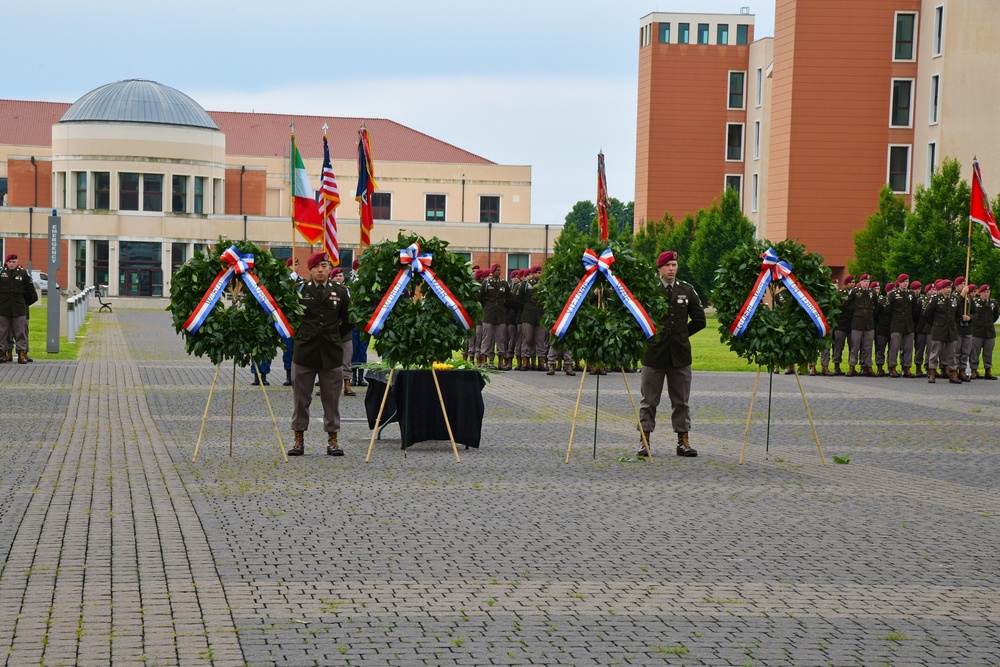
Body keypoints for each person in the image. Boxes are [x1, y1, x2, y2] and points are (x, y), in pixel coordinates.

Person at [638, 250, 706, 458]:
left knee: (681, 401)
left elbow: (699, 320)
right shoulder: (649, 291)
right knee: (649, 401)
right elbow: (638, 318)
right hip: (654, 353)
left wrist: (682, 335)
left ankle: (683, 441)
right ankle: (644, 440)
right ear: (659, 268)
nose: (671, 269)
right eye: (667, 265)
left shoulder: (686, 289)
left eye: (674, 265)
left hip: (679, 354)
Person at [288, 251, 352, 456]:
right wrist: (301, 336)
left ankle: (333, 439)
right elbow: (290, 318)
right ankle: (299, 439)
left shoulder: (340, 292)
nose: (321, 270)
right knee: (301, 398)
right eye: (316, 267)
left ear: (329, 268)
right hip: (305, 351)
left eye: (324, 266)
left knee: (331, 398)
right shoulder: (299, 290)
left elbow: (348, 321)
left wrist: (334, 336)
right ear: (310, 269)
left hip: (331, 352)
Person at [0, 253, 38, 364]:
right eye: (10, 262)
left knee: (20, 332)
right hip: (4, 308)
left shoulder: (22, 273)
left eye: (14, 262)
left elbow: (31, 291)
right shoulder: (2, 273)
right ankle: (2, 352)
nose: (12, 264)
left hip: (19, 308)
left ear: (17, 262)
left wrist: (24, 303)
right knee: (2, 332)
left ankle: (22, 353)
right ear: (7, 263)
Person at [923, 278, 963, 384]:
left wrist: (954, 324)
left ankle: (953, 373)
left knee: (952, 353)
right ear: (942, 288)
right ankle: (932, 372)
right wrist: (935, 323)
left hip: (951, 329)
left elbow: (958, 315)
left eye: (950, 287)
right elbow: (927, 314)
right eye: (946, 287)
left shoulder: (955, 299)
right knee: (935, 351)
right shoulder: (935, 298)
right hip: (938, 329)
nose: (948, 290)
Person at [478, 263, 510, 368]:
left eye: (499, 270)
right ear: (492, 272)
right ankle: (484, 360)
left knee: (501, 338)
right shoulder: (486, 283)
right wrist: (487, 306)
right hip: (488, 314)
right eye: (496, 270)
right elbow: (480, 297)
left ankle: (500, 362)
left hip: (500, 315)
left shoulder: (504, 284)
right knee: (487, 338)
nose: (498, 272)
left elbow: (509, 298)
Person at [331, 267, 356, 396]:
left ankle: (347, 384)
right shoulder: (328, 291)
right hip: (330, 331)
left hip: (345, 331)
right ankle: (325, 386)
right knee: (328, 359)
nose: (339, 278)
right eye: (336, 276)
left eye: (341, 275)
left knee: (346, 359)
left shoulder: (349, 291)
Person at [845, 274, 877, 376]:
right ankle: (852, 366)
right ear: (861, 282)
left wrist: (871, 312)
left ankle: (868, 366)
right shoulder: (854, 291)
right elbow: (846, 304)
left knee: (868, 346)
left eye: (868, 281)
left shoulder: (872, 292)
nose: (866, 283)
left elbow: (878, 304)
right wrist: (855, 312)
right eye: (864, 281)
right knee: (855, 345)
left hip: (869, 323)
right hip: (857, 323)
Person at [281, 256, 302, 386]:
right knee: (288, 349)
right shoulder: (283, 281)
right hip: (287, 321)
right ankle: (288, 375)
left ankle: (298, 375)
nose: (295, 266)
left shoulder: (303, 282)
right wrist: (289, 282)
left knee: (299, 350)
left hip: (299, 321)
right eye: (293, 264)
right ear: (288, 267)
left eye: (297, 263)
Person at [970, 284, 998, 380]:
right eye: (984, 292)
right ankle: (974, 370)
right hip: (977, 331)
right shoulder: (975, 302)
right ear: (980, 293)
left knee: (988, 352)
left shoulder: (993, 303)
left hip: (989, 331)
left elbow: (995, 316)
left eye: (987, 292)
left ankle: (988, 370)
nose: (986, 294)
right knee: (975, 352)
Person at [350, 258, 369, 387]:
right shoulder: (348, 282)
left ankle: (361, 377)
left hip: (363, 321)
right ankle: (353, 377)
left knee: (362, 349)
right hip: (352, 321)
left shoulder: (367, 282)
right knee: (353, 349)